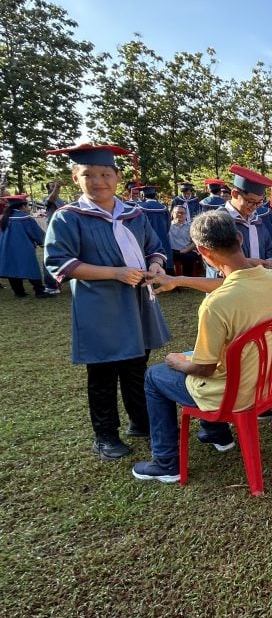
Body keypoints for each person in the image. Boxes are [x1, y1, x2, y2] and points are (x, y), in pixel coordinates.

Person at [131, 211, 272, 482]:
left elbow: (204, 368)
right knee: (212, 356)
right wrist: (179, 281)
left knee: (155, 376)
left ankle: (167, 463)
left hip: (232, 394)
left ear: (203, 251)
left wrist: (177, 362)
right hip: (268, 385)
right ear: (239, 238)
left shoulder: (216, 304)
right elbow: (231, 283)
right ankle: (216, 434)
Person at [44, 143, 171, 460]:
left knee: (136, 367)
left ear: (117, 177)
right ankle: (105, 436)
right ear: (76, 178)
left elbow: (154, 248)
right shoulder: (68, 218)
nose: (98, 181)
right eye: (88, 175)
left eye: (105, 174)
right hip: (99, 307)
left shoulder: (134, 214)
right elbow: (60, 263)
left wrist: (155, 266)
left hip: (138, 302)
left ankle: (141, 423)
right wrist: (114, 272)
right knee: (103, 373)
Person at [207, 165, 272, 278]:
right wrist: (247, 262)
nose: (254, 207)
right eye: (250, 201)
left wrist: (270, 261)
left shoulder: (257, 221)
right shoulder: (218, 220)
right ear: (234, 194)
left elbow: (268, 247)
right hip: (229, 284)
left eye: (259, 202)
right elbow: (211, 257)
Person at [0, 195, 54, 298]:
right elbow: (36, 233)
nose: (28, 208)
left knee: (13, 269)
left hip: (6, 248)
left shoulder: (5, 217)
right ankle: (39, 291)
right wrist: (43, 242)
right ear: (22, 206)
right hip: (22, 248)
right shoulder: (24, 218)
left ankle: (19, 292)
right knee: (31, 268)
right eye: (27, 205)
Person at [137, 185, 173, 273]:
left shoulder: (140, 207)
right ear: (155, 195)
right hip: (163, 238)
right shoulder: (163, 208)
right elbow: (168, 225)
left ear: (143, 195)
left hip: (148, 240)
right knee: (165, 258)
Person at [167, 205, 199, 276]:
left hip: (187, 251)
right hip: (172, 251)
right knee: (166, 257)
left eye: (182, 213)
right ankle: (171, 281)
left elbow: (195, 242)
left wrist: (185, 250)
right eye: (177, 212)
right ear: (172, 213)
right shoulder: (167, 226)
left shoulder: (191, 227)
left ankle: (186, 281)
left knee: (189, 258)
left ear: (186, 215)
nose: (180, 215)